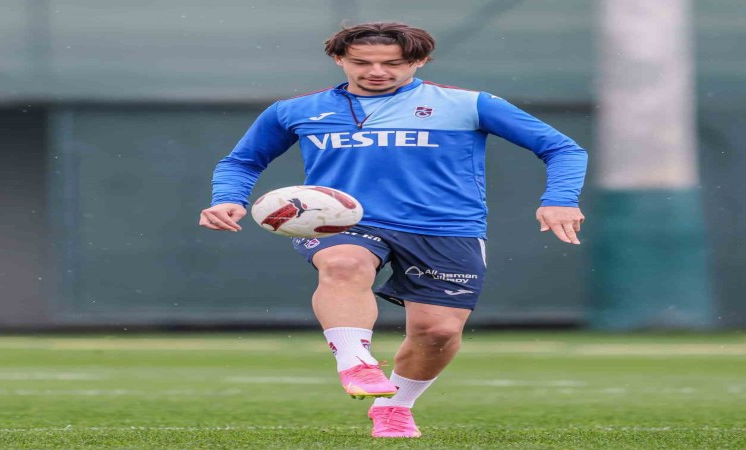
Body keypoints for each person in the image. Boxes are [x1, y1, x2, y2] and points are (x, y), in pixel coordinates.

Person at [199, 22, 587, 438]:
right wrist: (228, 198)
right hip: (347, 221)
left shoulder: (469, 104)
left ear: (419, 61)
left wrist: (560, 199)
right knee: (344, 263)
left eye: (393, 63)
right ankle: (356, 361)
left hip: (446, 225)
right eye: (361, 62)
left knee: (437, 332)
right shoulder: (295, 110)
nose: (376, 71)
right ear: (339, 59)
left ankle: (395, 406)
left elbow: (562, 148)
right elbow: (242, 161)